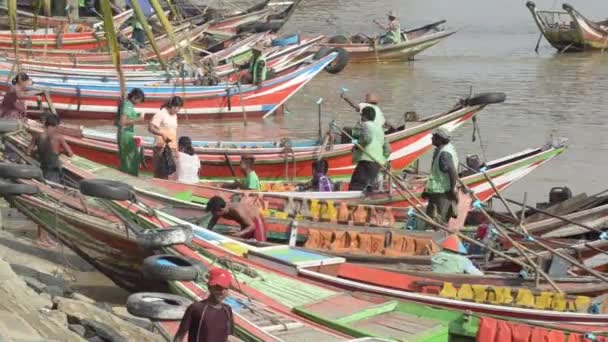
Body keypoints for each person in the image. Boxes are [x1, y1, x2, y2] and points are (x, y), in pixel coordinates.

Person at [173, 268, 235, 342]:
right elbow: (180, 336)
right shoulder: (196, 308)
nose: (222, 292)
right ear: (209, 287)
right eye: (218, 288)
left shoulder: (227, 310)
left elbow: (228, 336)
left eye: (225, 288)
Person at [422, 127, 459, 226]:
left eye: (434, 137)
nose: (432, 138)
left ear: (440, 139)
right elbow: (435, 174)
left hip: (442, 193)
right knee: (432, 219)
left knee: (439, 221)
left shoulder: (444, 154)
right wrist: (426, 190)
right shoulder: (443, 150)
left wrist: (451, 190)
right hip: (436, 191)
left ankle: (438, 239)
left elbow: (453, 173)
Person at [349, 107, 388, 191]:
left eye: (361, 115)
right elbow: (388, 150)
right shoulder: (380, 129)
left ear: (364, 116)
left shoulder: (364, 124)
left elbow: (367, 139)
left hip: (366, 162)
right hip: (377, 164)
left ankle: (352, 204)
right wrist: (382, 160)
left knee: (355, 187)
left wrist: (356, 145)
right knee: (366, 189)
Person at [26, 114, 74, 183]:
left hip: (42, 169)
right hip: (54, 171)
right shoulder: (58, 137)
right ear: (57, 125)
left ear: (46, 124)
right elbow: (70, 154)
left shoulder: (36, 136)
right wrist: (60, 152)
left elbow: (28, 153)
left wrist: (38, 152)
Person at [148, 96, 183, 179]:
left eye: (179, 108)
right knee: (160, 172)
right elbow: (150, 128)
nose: (178, 110)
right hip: (160, 147)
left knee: (170, 174)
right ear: (172, 106)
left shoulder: (175, 116)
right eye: (177, 108)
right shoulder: (161, 113)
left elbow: (174, 132)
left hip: (172, 147)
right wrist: (162, 134)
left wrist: (176, 149)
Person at [117, 88, 145, 176]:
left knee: (128, 159)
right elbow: (122, 122)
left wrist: (136, 115)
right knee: (131, 160)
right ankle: (128, 178)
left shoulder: (127, 105)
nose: (139, 103)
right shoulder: (128, 105)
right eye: (139, 100)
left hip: (125, 134)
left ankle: (126, 176)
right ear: (134, 97)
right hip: (125, 134)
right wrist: (138, 119)